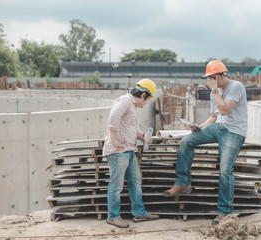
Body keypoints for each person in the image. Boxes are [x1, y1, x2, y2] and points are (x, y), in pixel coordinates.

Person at [163, 60, 247, 225]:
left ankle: (225, 212)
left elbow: (224, 109)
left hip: (234, 132)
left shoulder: (236, 87)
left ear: (222, 75)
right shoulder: (213, 93)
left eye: (213, 78)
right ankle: (183, 182)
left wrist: (215, 90)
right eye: (209, 78)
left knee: (225, 170)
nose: (211, 82)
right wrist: (199, 126)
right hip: (218, 127)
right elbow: (214, 117)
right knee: (187, 141)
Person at [103, 78, 159, 228]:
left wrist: (143, 136)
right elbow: (113, 118)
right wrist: (113, 140)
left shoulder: (133, 107)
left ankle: (139, 212)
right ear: (143, 96)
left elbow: (130, 128)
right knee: (116, 186)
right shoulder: (125, 101)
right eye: (147, 101)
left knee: (135, 182)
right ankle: (113, 216)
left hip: (129, 150)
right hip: (118, 151)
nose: (145, 104)